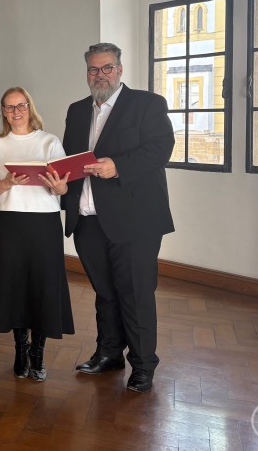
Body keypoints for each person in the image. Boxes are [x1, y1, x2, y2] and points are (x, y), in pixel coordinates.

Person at [62, 42, 174, 394]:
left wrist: (118, 166)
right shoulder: (77, 110)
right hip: (87, 217)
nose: (100, 75)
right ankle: (109, 353)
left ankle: (143, 365)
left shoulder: (147, 104)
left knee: (136, 293)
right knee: (105, 292)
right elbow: (71, 160)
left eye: (107, 68)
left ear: (120, 69)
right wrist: (59, 184)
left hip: (134, 220)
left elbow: (160, 149)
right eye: (93, 69)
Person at [0, 87, 75, 381]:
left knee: (42, 285)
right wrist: (6, 183)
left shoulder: (49, 141)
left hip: (43, 222)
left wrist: (59, 187)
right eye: (9, 107)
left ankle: (38, 353)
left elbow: (62, 187)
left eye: (21, 105)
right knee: (14, 285)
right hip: (7, 222)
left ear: (30, 107)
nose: (16, 111)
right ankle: (21, 350)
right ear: (3, 112)